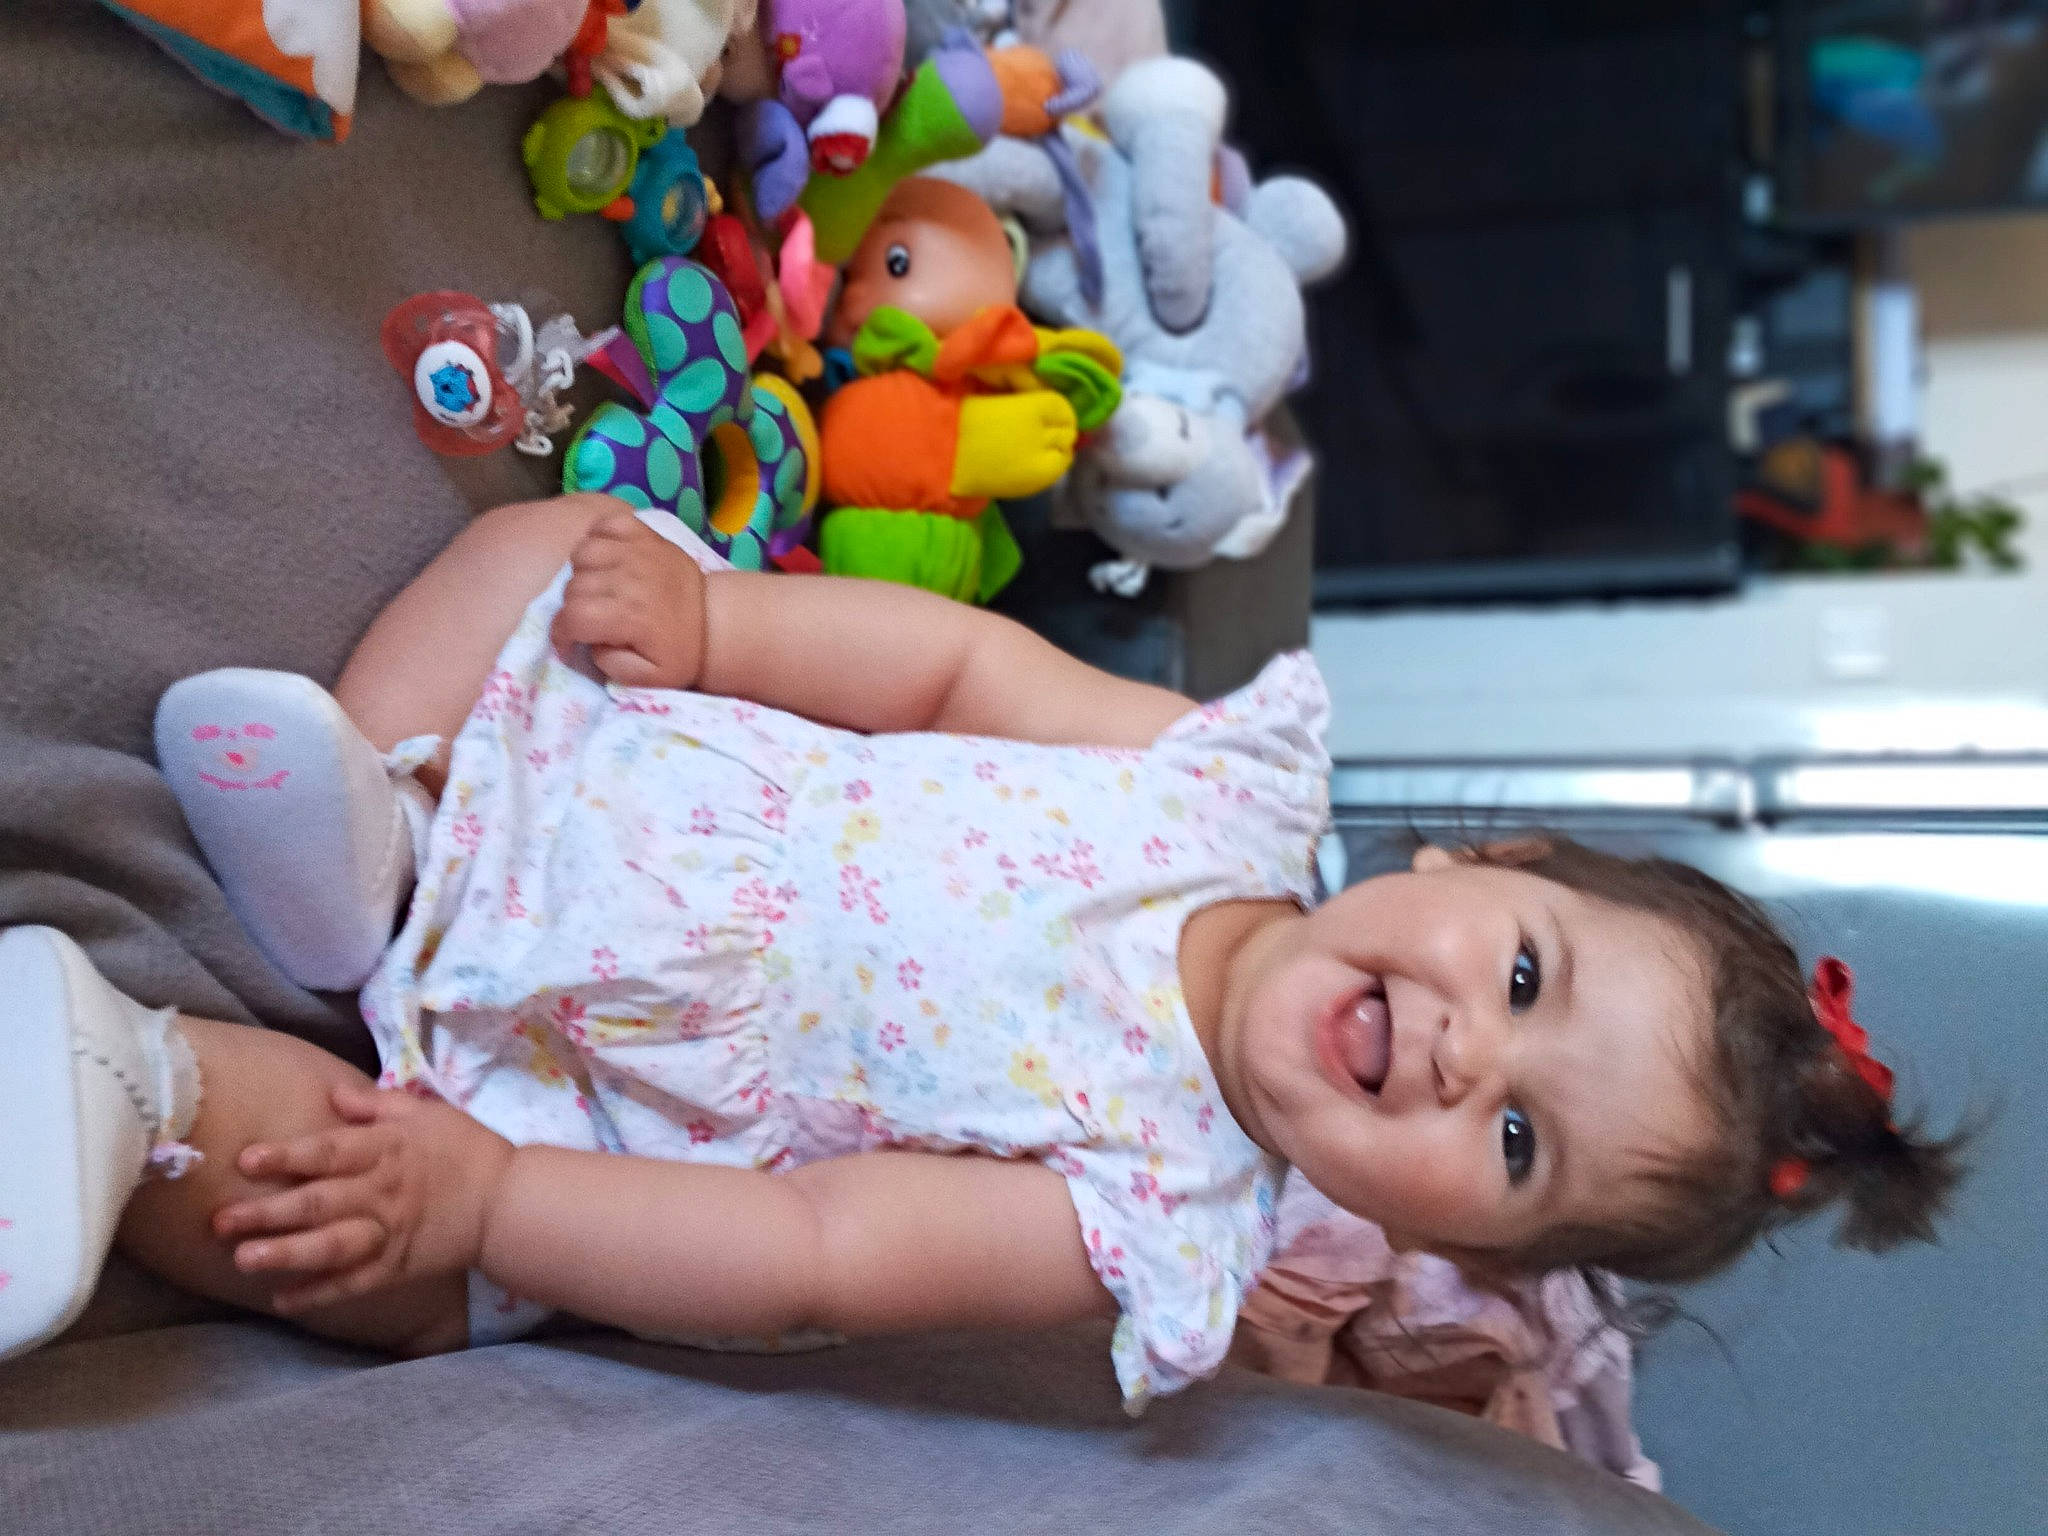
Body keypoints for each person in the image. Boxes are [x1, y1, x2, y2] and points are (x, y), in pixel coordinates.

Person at [0, 494, 1963, 1405]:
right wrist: (722, 643)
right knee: (577, 543)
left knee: (363, 1234)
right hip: (629, 794)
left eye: (1514, 1144)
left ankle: (129, 1083)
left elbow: (809, 1261)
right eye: (1524, 977)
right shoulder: (1217, 788)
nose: (1464, 1055)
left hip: (587, 1110)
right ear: (1490, 856)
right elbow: (951, 661)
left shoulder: (1160, 1213)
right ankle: (384, 821)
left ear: (1449, 1243)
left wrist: (498, 1192)